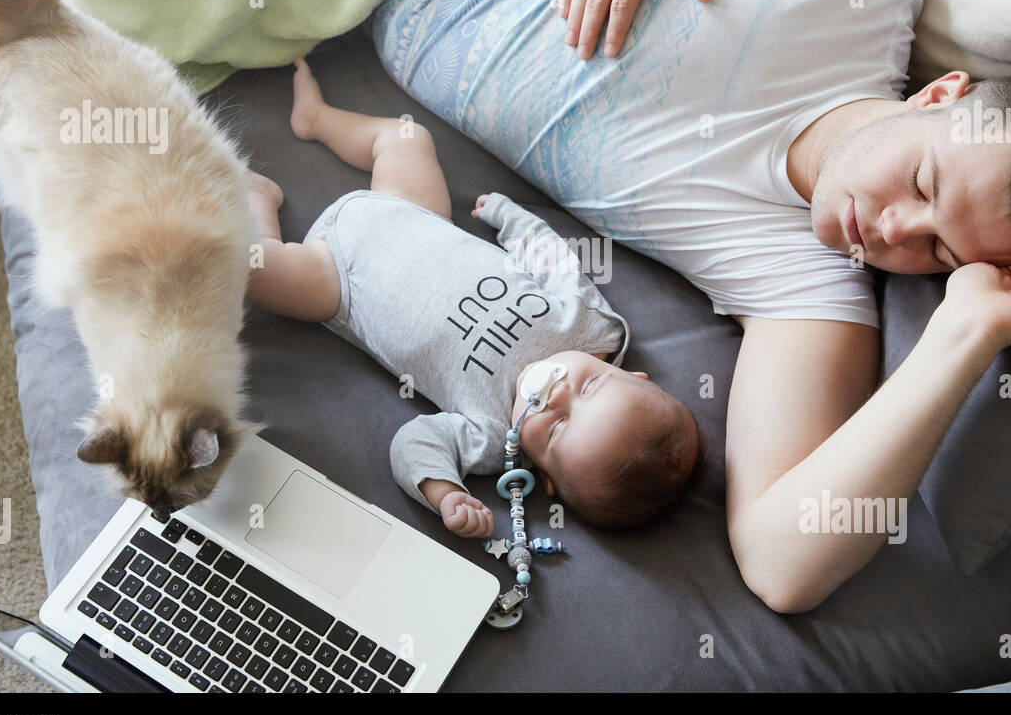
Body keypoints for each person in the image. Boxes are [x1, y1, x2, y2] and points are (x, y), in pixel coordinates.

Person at [367, 0, 1011, 610]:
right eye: (922, 181)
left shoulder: (809, 291)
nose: (890, 231)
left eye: (938, 251)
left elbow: (781, 565)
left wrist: (964, 336)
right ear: (939, 95)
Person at [241, 59, 703, 539]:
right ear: (627, 374)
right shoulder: (589, 327)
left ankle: (257, 199)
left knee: (254, 268)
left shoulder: (491, 435)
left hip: (340, 281)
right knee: (406, 138)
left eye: (558, 428)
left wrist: (446, 492)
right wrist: (510, 217)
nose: (559, 394)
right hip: (415, 215)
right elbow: (554, 260)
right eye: (588, 389)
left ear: (543, 476)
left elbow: (414, 441)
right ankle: (317, 119)